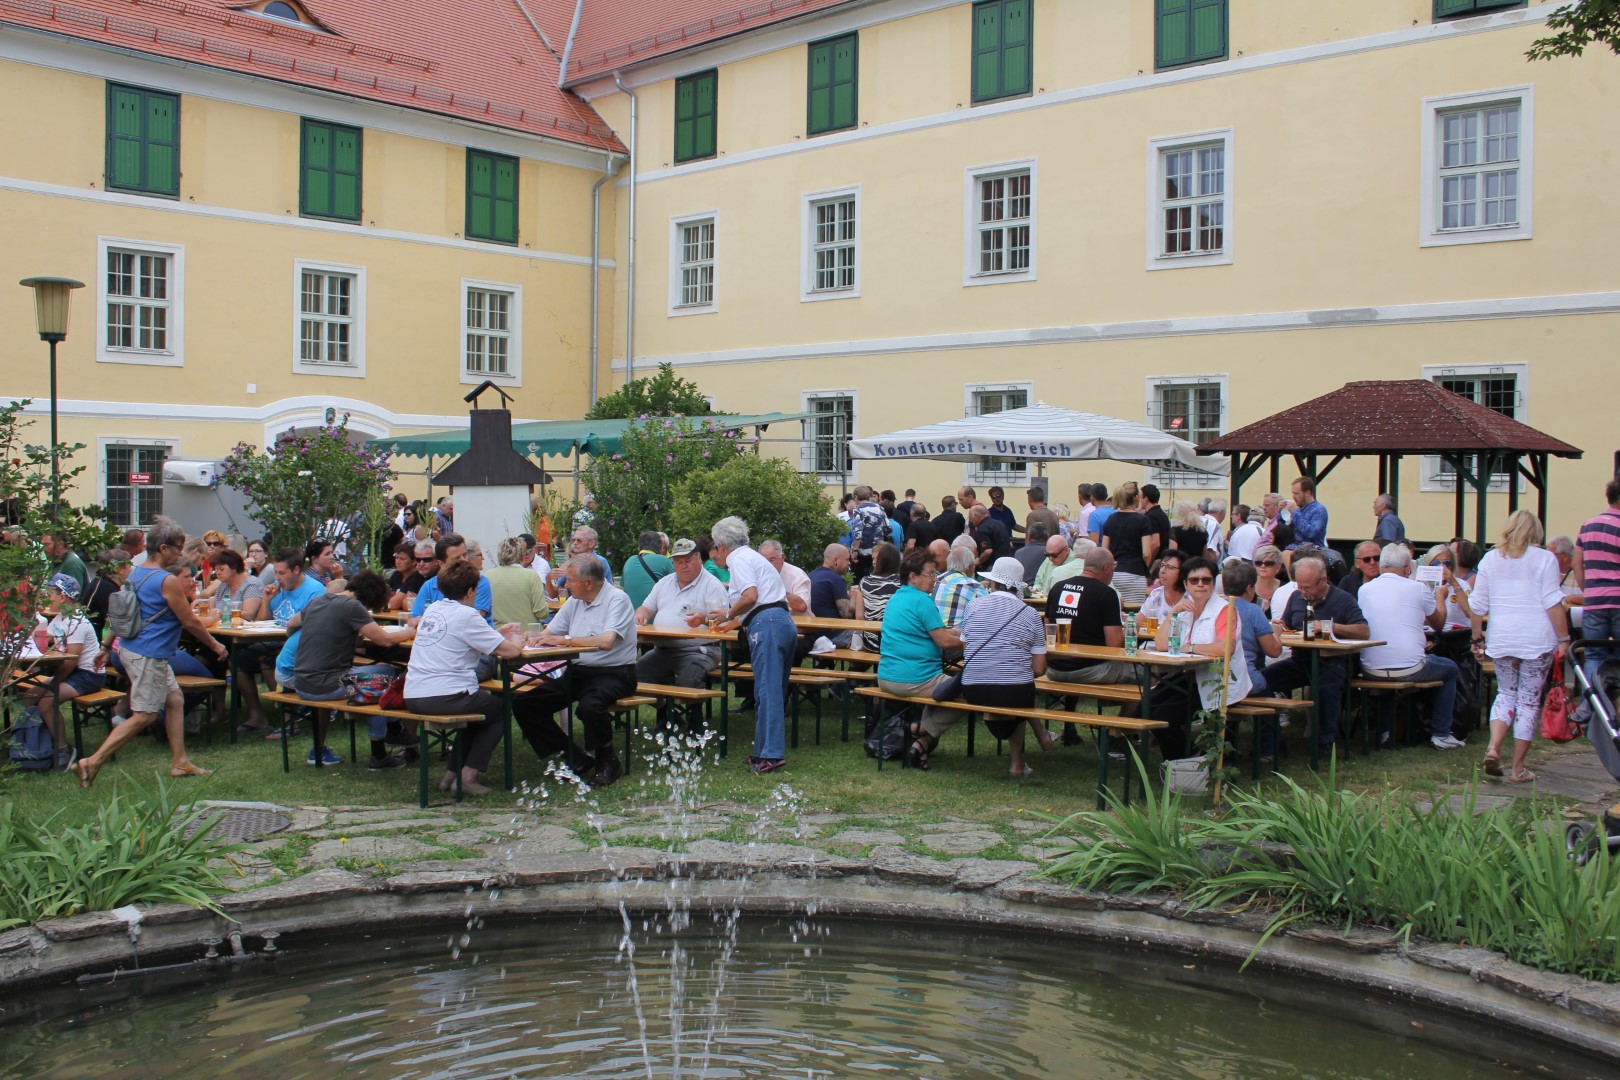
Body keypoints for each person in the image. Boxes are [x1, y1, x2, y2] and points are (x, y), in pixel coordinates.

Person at [76, 518, 222, 788]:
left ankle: (180, 762)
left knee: (175, 699)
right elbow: (189, 621)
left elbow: (122, 614)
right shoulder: (167, 581)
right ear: (163, 548)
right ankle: (93, 761)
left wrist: (107, 647)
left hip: (135, 650)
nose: (181, 553)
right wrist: (215, 645)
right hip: (147, 655)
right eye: (178, 548)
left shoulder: (135, 572)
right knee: (145, 715)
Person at [405, 561, 523, 796]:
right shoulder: (467, 615)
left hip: (415, 693)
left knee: (477, 713)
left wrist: (496, 634)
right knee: (499, 709)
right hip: (444, 694)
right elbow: (510, 653)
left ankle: (451, 775)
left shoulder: (434, 609)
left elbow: (460, 637)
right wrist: (517, 641)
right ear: (470, 591)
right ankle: (468, 775)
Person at [522, 555, 639, 787]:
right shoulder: (575, 601)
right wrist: (531, 636)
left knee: (590, 706)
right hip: (579, 672)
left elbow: (606, 641)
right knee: (525, 705)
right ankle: (575, 757)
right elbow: (549, 633)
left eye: (570, 580)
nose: (565, 585)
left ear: (589, 583)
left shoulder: (617, 599)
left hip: (615, 672)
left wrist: (564, 641)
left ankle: (608, 761)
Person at [1471, 510, 1569, 784]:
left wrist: (1477, 638)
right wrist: (1564, 638)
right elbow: (1551, 601)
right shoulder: (1545, 559)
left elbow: (1477, 605)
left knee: (1505, 693)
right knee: (1527, 700)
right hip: (1536, 639)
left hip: (1502, 637)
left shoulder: (1491, 558)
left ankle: (1493, 747)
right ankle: (1517, 768)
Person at [285, 568, 416, 769]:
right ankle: (384, 747)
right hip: (328, 684)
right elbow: (385, 640)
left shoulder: (320, 600)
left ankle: (392, 733)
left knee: (375, 676)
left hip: (302, 683)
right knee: (386, 676)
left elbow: (291, 624)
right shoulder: (353, 607)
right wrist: (410, 630)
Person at [708, 516, 798, 774]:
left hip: (767, 623)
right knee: (769, 690)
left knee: (767, 690)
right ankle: (763, 751)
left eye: (716, 547)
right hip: (779, 621)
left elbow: (751, 596)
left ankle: (770, 754)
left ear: (723, 544)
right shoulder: (751, 557)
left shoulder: (738, 559)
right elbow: (758, 601)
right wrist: (731, 620)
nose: (716, 553)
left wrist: (727, 615)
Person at [1260, 555, 1368, 754]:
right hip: (1301, 660)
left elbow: (1363, 631)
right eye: (1300, 586)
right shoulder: (1296, 598)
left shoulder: (1343, 599)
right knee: (1261, 681)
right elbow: (1286, 624)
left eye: (1307, 587)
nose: (1303, 592)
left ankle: (1324, 742)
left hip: (1333, 661)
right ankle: (1272, 740)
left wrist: (1331, 627)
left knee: (1327, 687)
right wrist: (1279, 626)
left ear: (1323, 580)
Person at [1358, 544, 1462, 750]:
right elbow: (1439, 624)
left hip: (1370, 668)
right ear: (1407, 569)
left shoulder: (1364, 589)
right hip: (1411, 668)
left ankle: (1385, 731)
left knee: (1388, 670)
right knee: (1450, 669)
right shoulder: (1418, 588)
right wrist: (1440, 597)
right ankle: (1441, 733)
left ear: (1381, 566)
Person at [1149, 556, 1252, 760]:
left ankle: (1184, 762)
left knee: (1163, 715)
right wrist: (1172, 614)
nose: (1201, 584)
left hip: (1218, 682)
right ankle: (1185, 760)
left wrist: (1190, 648)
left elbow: (1225, 648)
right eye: (1195, 580)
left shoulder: (1224, 609)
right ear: (1186, 583)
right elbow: (1161, 644)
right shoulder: (1184, 608)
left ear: (1214, 583)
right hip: (1190, 678)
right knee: (1148, 706)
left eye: (1206, 580)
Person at [958, 557, 1052, 777]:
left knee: (1016, 687)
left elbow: (966, 648)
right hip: (1014, 692)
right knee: (1019, 688)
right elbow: (1039, 669)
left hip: (972, 688)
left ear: (992, 583)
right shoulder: (1030, 614)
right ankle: (1018, 763)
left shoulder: (973, 606)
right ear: (1017, 586)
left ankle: (1031, 749)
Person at [878, 549, 964, 768]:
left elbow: (934, 631)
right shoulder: (922, 601)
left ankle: (921, 744)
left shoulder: (897, 598)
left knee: (946, 688)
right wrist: (973, 641)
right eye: (930, 574)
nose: (934, 579)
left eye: (935, 574)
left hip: (886, 676)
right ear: (913, 576)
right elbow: (943, 642)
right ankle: (923, 730)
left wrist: (955, 632)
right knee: (969, 689)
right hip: (914, 679)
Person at [234, 547, 326, 736]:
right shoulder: (278, 589)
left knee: (268, 660)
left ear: (296, 570)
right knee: (239, 660)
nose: (277, 577)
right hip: (275, 640)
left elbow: (316, 627)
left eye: (282, 573)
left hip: (303, 645)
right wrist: (266, 600)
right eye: (275, 572)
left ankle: (290, 722)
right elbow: (262, 621)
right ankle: (256, 715)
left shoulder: (315, 591)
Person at [635, 537, 731, 719]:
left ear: (699, 559)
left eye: (688, 561)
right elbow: (646, 607)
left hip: (699, 650)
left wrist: (703, 619)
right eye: (679, 562)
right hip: (663, 650)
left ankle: (695, 724)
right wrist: (641, 614)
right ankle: (668, 713)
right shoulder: (665, 583)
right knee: (630, 678)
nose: (683, 566)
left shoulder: (712, 585)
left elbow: (723, 622)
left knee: (687, 682)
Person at [27, 574, 105, 769]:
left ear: (63, 597)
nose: (47, 598)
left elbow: (72, 660)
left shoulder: (77, 622)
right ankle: (38, 741)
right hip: (71, 672)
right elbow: (47, 639)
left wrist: (53, 682)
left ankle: (64, 750)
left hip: (88, 675)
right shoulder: (60, 619)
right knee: (30, 695)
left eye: (50, 594)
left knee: (47, 701)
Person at [1044, 548, 1136, 686]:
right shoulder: (1107, 594)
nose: (1113, 572)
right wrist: (1129, 628)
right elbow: (1114, 645)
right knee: (1144, 675)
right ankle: (1128, 708)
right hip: (1091, 669)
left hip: (1053, 668)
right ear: (1106, 568)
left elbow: (1048, 630)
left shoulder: (1057, 588)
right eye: (1113, 567)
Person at [1573, 479, 1620, 700]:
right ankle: (1615, 708)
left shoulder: (1587, 525)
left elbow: (1576, 563)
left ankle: (1592, 705)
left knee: (1593, 655)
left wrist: (1587, 591)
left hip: (1594, 602)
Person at [411, 533, 493, 625]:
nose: (464, 561)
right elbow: (412, 620)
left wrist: (428, 619)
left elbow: (471, 621)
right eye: (456, 559)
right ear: (441, 564)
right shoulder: (430, 586)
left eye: (465, 555)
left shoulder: (480, 583)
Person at [1101, 484, 1155, 605]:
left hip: (1114, 573)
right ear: (1136, 498)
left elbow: (1104, 551)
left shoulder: (1111, 519)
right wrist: (1144, 567)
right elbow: (1146, 553)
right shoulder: (1143, 520)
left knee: (1114, 611)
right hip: (1135, 573)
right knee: (1133, 614)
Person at [487, 535, 550, 628]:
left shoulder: (487, 576)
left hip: (498, 635)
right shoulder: (531, 576)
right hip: (527, 634)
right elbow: (541, 613)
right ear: (522, 554)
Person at [852, 542, 902, 651]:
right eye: (873, 558)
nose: (874, 561)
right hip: (897, 641)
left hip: (871, 642)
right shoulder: (902, 584)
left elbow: (859, 617)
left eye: (877, 558)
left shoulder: (865, 582)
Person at [544, 526, 614, 599]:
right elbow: (554, 594)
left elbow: (609, 591)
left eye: (579, 540)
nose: (575, 543)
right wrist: (548, 579)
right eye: (573, 540)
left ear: (591, 543)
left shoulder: (600, 562)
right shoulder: (571, 563)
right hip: (575, 605)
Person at [934, 540, 987, 629]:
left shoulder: (935, 581)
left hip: (932, 635)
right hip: (957, 638)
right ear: (969, 567)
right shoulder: (974, 586)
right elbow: (988, 613)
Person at [846, 485, 891, 583]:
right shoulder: (879, 508)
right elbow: (888, 528)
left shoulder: (858, 509)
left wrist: (855, 551)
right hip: (877, 550)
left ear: (856, 497)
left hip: (862, 551)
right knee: (876, 578)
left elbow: (858, 531)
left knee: (858, 580)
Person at [620, 530, 673, 609]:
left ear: (639, 547)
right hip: (654, 616)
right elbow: (679, 586)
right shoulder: (665, 561)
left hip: (631, 617)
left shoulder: (629, 561)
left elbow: (622, 589)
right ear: (661, 547)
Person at [211, 547, 263, 622]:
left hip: (245, 630)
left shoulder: (252, 584)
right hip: (224, 629)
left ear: (234, 567)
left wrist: (222, 614)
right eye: (216, 570)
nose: (218, 573)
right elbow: (212, 605)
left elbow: (248, 614)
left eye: (221, 569)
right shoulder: (223, 585)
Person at [1139, 551, 1187, 623]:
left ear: (1182, 572)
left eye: (1170, 567)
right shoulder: (1156, 594)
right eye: (1162, 566)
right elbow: (1140, 617)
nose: (1162, 571)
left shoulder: (1191, 597)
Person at [389, 539, 436, 612]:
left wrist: (417, 600)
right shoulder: (417, 575)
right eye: (418, 560)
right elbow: (405, 604)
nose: (421, 563)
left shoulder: (441, 577)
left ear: (437, 560)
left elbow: (436, 607)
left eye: (427, 559)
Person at [1287, 477, 1328, 553]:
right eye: (1292, 493)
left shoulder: (1319, 510)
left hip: (1312, 553)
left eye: (1296, 493)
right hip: (1294, 549)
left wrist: (1295, 513)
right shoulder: (1298, 509)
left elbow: (1311, 532)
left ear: (1307, 493)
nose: (1293, 497)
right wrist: (1281, 514)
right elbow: (1286, 532)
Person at [43, 531, 89, 596]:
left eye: (47, 544)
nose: (43, 549)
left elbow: (73, 598)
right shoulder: (56, 561)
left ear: (60, 544)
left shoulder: (72, 563)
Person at [968, 504, 1012, 569]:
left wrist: (978, 561)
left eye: (970, 518)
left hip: (993, 566)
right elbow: (1010, 544)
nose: (971, 521)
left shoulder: (982, 529)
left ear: (976, 516)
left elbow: (987, 551)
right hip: (1007, 563)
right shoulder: (999, 523)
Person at [1252, 543, 1289, 618]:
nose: (1263, 566)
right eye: (1258, 563)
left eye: (1268, 563)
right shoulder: (1247, 587)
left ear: (1278, 567)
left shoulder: (1285, 589)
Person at [1139, 484, 1171, 559]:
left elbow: (1155, 544)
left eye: (1141, 498)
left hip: (1156, 560)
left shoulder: (1151, 517)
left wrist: (1148, 563)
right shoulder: (1162, 514)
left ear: (1146, 499)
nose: (1140, 501)